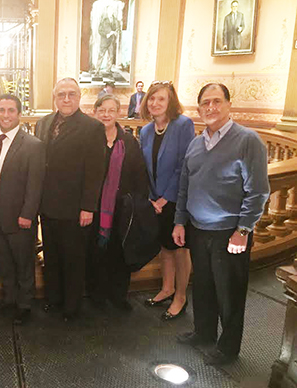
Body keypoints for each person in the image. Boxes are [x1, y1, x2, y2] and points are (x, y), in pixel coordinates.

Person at [173, 83, 269, 365]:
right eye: (205, 103)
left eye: (216, 101)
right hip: (198, 228)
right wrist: (180, 221)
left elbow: (258, 191)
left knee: (229, 292)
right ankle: (203, 334)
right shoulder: (195, 143)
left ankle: (228, 349)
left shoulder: (248, 141)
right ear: (199, 108)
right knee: (202, 286)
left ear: (229, 105)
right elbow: (184, 187)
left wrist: (243, 230)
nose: (211, 108)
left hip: (230, 232)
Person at [35, 77, 105, 321]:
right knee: (51, 255)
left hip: (75, 207)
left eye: (71, 94)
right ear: (54, 98)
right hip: (47, 204)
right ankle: (53, 299)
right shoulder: (42, 123)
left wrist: (88, 206)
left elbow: (95, 172)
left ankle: (71, 307)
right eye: (61, 94)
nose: (66, 99)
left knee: (73, 259)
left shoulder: (92, 127)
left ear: (79, 97)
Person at [0, 94, 45, 325]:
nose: (6, 115)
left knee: (23, 263)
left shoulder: (32, 145)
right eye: (2, 110)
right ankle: (8, 300)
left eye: (11, 110)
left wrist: (27, 214)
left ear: (19, 114)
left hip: (20, 217)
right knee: (2, 261)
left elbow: (35, 184)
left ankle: (25, 305)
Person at [87, 95, 149, 311]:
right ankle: (97, 295)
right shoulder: (89, 139)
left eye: (111, 110)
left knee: (119, 253)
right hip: (94, 208)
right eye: (102, 110)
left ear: (118, 113)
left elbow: (140, 175)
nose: (106, 114)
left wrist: (137, 203)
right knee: (96, 252)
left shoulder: (129, 142)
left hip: (122, 209)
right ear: (95, 112)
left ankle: (118, 296)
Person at [139, 81, 195, 321]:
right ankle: (167, 288)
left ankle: (181, 297)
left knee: (180, 248)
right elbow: (146, 168)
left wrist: (165, 198)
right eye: (151, 99)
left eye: (161, 99)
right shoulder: (146, 131)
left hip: (177, 198)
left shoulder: (183, 125)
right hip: (156, 200)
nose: (155, 103)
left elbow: (185, 165)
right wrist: (152, 198)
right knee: (165, 247)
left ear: (170, 101)